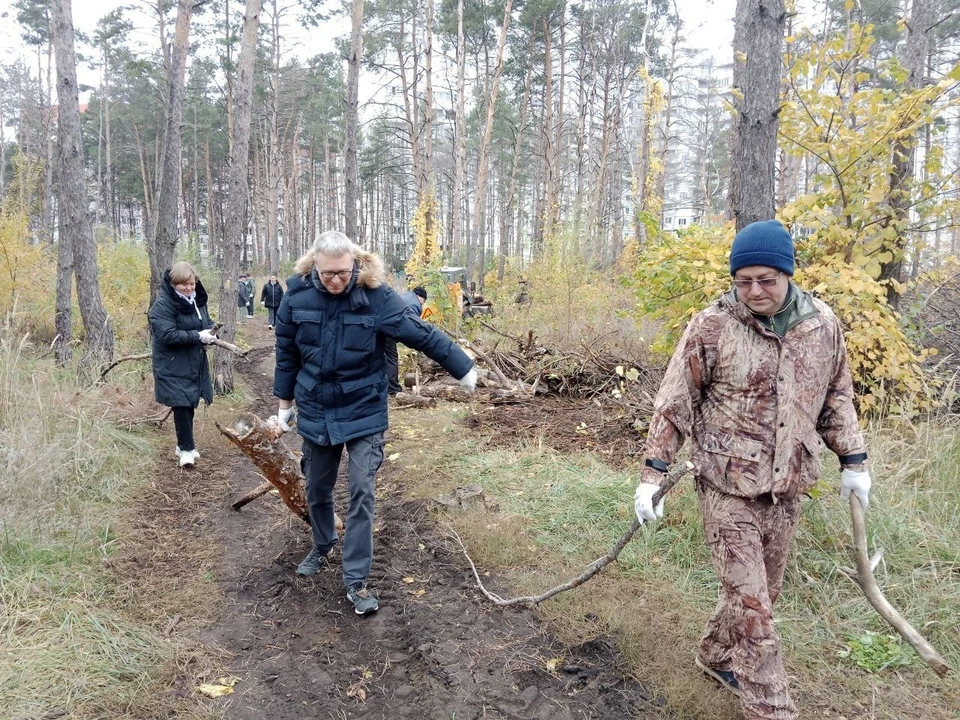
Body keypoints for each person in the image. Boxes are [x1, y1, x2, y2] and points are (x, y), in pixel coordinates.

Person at [633, 219, 871, 720]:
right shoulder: (712, 327)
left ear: (788, 275)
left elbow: (836, 397)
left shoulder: (822, 325)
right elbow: (674, 402)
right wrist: (652, 474)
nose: (754, 291)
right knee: (756, 611)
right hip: (726, 485)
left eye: (766, 279)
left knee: (763, 593)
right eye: (743, 281)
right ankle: (772, 709)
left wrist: (853, 460)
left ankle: (715, 655)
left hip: (787, 485)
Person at [273, 232, 477, 616]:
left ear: (355, 263)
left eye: (344, 273)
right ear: (314, 265)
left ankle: (355, 579)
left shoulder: (376, 296)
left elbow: (422, 334)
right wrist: (285, 405)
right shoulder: (296, 295)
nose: (337, 281)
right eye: (329, 273)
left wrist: (462, 367)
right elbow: (286, 354)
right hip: (316, 406)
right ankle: (322, 543)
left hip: (364, 407)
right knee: (317, 487)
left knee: (362, 492)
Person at [148, 261, 216, 468]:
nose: (188, 288)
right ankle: (186, 449)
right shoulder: (162, 305)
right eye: (183, 285)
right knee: (182, 404)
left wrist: (211, 332)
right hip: (172, 363)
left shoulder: (197, 301)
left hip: (194, 361)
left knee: (190, 402)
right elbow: (167, 334)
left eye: (191, 283)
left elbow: (205, 322)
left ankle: (184, 444)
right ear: (173, 284)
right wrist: (197, 336)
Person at [385, 285, 427, 395]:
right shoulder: (415, 304)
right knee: (392, 357)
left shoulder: (405, 295)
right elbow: (411, 326)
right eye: (424, 300)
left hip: (379, 323)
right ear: (420, 297)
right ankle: (393, 389)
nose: (423, 303)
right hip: (388, 328)